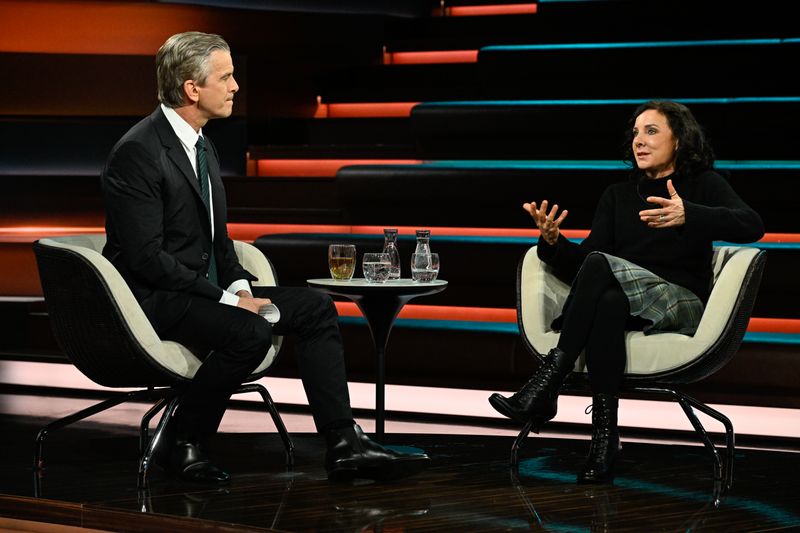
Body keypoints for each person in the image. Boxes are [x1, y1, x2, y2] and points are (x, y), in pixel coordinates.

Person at [101, 31, 429, 484]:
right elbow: (145, 258)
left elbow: (219, 242)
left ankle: (341, 442)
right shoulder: (138, 152)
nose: (236, 87)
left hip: (202, 290)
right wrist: (230, 301)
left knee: (315, 307)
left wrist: (239, 286)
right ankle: (183, 439)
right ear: (192, 89)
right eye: (226, 77)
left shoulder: (202, 145)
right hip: (156, 298)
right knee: (249, 330)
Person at [489, 100, 764, 483]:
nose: (639, 141)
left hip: (681, 302)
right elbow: (585, 264)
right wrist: (553, 243)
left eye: (651, 131)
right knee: (608, 300)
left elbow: (752, 225)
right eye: (636, 133)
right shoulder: (617, 195)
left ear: (680, 140)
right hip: (628, 299)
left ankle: (549, 381)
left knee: (603, 268)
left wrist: (691, 214)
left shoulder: (704, 184)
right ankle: (604, 441)